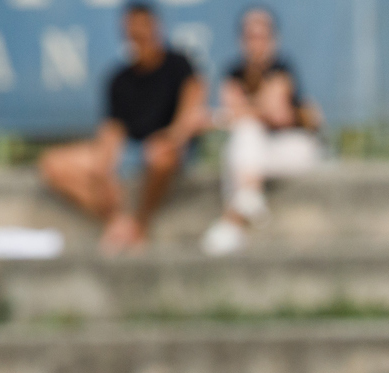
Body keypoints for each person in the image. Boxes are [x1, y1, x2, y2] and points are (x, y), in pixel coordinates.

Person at [38, 2, 206, 254]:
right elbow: (112, 131)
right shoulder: (118, 79)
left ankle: (140, 223)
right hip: (130, 150)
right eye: (132, 31)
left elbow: (193, 107)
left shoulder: (179, 64)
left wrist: (172, 136)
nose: (138, 37)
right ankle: (119, 222)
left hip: (169, 148)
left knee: (159, 154)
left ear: (155, 28)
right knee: (53, 164)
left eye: (143, 29)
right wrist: (105, 162)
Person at [200, 4, 324, 257]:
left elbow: (277, 114)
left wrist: (228, 114)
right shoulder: (233, 71)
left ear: (274, 37)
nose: (256, 42)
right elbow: (251, 112)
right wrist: (248, 111)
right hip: (256, 155)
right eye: (250, 35)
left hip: (292, 147)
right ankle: (247, 198)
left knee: (244, 135)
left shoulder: (283, 67)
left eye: (262, 35)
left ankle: (232, 220)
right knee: (246, 135)